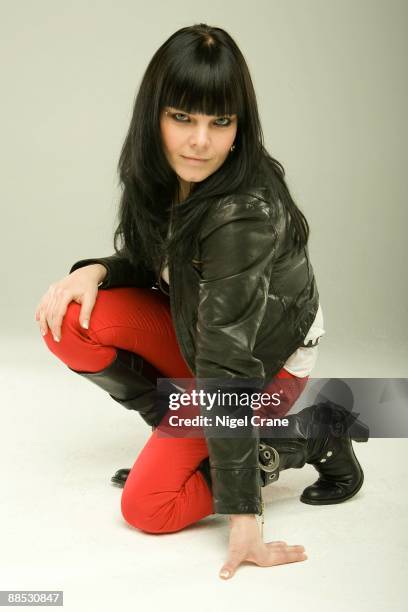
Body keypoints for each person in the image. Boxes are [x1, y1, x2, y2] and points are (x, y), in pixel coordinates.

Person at [34, 23, 368, 580]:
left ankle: (308, 436)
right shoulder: (161, 174)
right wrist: (96, 270)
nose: (200, 142)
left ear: (240, 125)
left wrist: (245, 518)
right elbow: (157, 262)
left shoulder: (243, 212)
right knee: (68, 320)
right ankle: (179, 431)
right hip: (204, 332)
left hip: (263, 364)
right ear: (155, 117)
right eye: (182, 117)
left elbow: (227, 363)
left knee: (150, 507)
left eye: (221, 122)